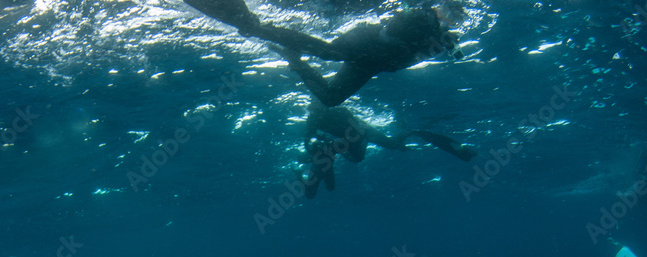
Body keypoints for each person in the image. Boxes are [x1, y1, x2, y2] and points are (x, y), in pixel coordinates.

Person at [184, 0, 464, 106]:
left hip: (372, 64)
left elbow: (414, 57)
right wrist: (428, 32)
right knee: (329, 52)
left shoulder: (443, 39)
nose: (448, 18)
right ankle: (259, 28)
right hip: (367, 43)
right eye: (448, 11)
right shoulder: (423, 17)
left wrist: (442, 44)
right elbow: (396, 24)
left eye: (455, 17)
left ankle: (294, 59)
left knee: (331, 98)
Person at [300, 102, 475, 196]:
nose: (314, 111)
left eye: (316, 108)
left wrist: (346, 143)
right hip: (344, 140)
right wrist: (318, 145)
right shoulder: (312, 120)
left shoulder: (340, 111)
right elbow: (308, 138)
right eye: (312, 109)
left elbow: (355, 128)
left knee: (391, 145)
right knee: (354, 159)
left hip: (361, 131)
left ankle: (413, 132)